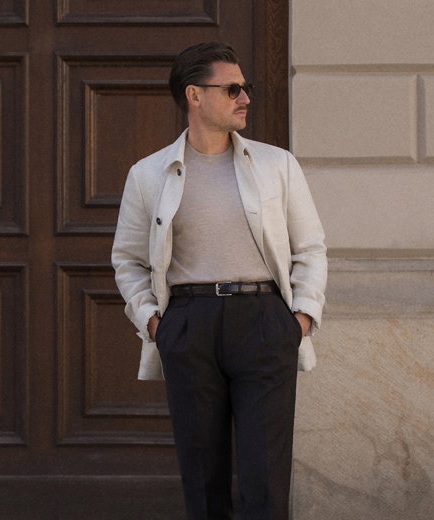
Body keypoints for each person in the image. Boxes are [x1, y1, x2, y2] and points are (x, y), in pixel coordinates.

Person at [111, 42, 327, 520]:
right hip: (189, 323)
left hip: (265, 320)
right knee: (203, 475)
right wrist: (153, 324)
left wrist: (301, 320)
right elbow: (127, 260)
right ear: (195, 95)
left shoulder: (278, 165)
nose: (244, 97)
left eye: (245, 87)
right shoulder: (149, 174)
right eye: (232, 88)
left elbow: (310, 248)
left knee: (264, 476)